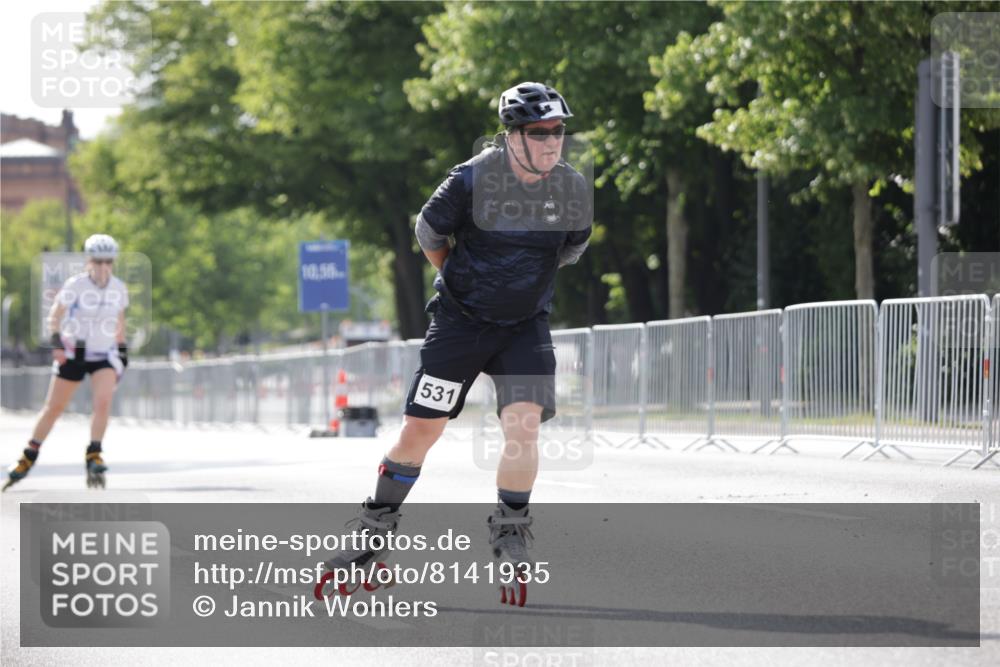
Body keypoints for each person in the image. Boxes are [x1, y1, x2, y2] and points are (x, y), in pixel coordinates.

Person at [322, 82, 592, 598]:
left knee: (524, 424)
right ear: (512, 135)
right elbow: (428, 233)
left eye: (559, 131)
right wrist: (465, 281)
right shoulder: (471, 180)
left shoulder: (571, 188)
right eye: (540, 132)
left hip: (524, 327)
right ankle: (374, 525)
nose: (553, 141)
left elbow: (571, 250)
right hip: (460, 323)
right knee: (423, 430)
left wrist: (517, 285)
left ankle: (511, 529)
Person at [2, 234, 130, 491]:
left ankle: (94, 452)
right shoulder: (76, 285)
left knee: (103, 402)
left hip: (103, 353)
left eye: (108, 261)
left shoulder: (119, 288)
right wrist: (58, 343)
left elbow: (119, 322)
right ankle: (29, 454)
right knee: (54, 408)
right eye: (98, 261)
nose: (103, 266)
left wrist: (123, 351)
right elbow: (54, 317)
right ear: (88, 261)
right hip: (75, 350)